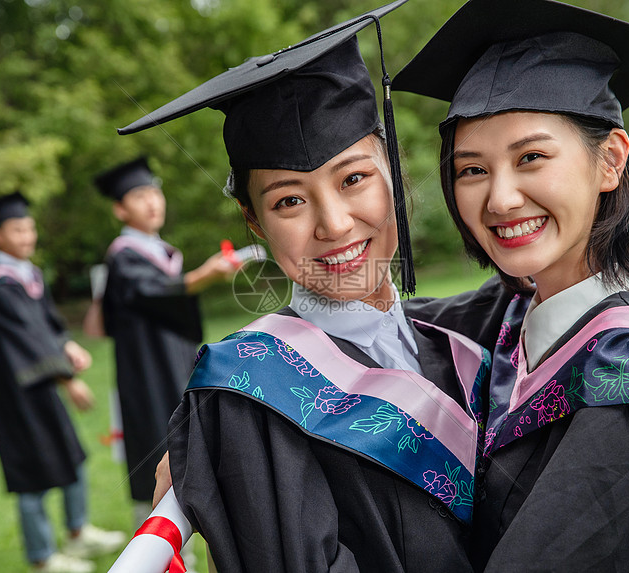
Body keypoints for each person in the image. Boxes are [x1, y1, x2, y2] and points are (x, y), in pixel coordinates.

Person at [113, 1, 517, 570]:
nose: (333, 224)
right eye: (289, 201)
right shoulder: (249, 398)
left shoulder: (481, 334)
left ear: (393, 178)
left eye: (354, 179)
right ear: (254, 222)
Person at [392, 0, 629, 570]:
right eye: (472, 169)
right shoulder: (512, 314)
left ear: (610, 161)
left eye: (531, 157)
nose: (499, 198)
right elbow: (372, 331)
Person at [0, 191, 126, 573]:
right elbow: (27, 341)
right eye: (17, 229)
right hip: (18, 395)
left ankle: (77, 533)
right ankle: (41, 558)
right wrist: (68, 378)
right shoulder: (1, 287)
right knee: (31, 475)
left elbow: (47, 329)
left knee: (71, 456)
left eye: (30, 228)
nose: (27, 236)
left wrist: (68, 344)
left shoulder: (28, 275)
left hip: (40, 388)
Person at [92, 157, 238, 525]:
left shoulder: (161, 251)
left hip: (174, 361)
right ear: (120, 209)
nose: (153, 201)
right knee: (156, 436)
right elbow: (152, 291)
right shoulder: (124, 257)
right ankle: (155, 533)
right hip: (146, 369)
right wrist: (203, 276)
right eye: (140, 196)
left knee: (183, 432)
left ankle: (187, 521)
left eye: (154, 192)